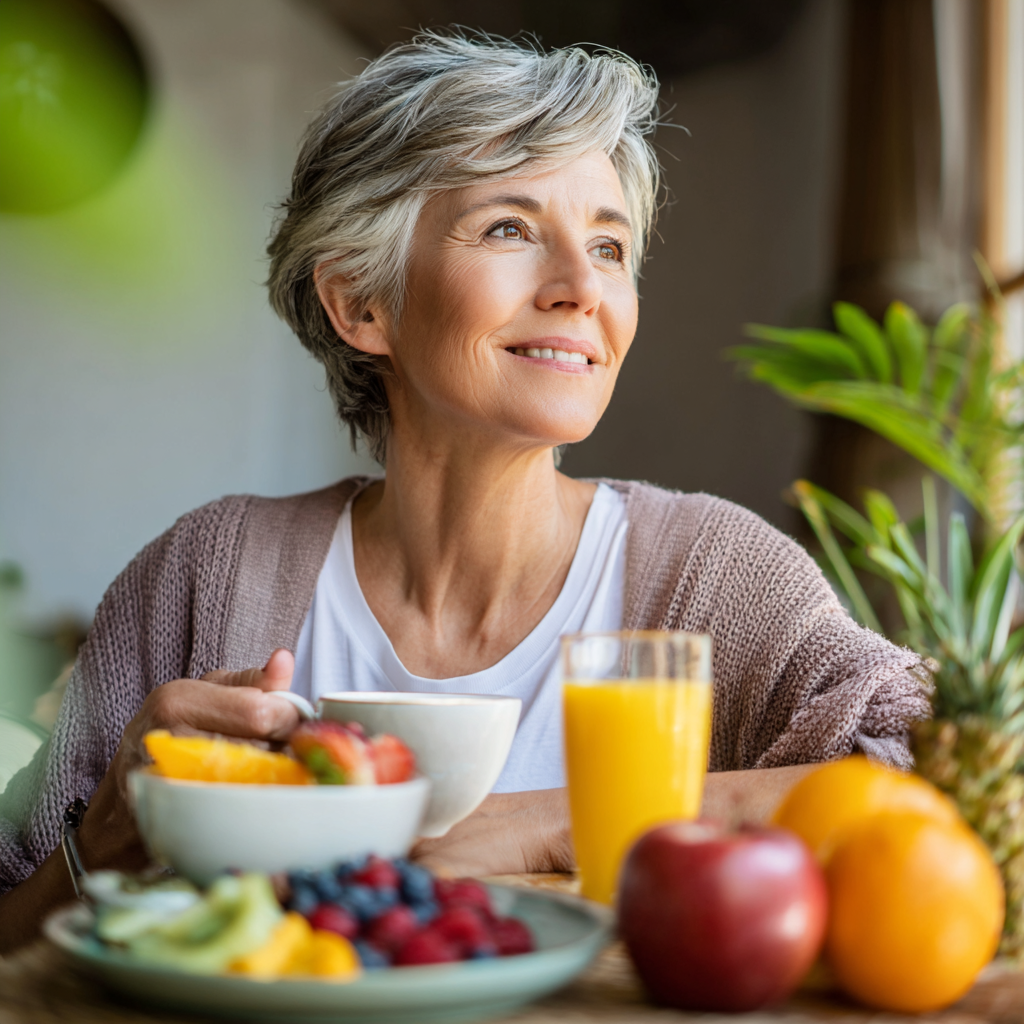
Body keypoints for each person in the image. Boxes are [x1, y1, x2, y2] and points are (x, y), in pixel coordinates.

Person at [0, 32, 930, 952]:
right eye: (510, 229)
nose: (581, 289)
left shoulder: (713, 573)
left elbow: (935, 776)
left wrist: (549, 820)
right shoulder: (204, 575)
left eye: (609, 248)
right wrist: (104, 840)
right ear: (361, 301)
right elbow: (12, 915)